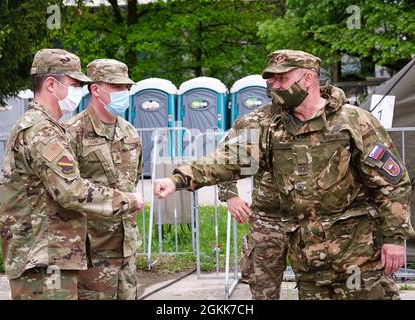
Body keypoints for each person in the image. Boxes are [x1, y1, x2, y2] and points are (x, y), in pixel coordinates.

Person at [154, 49, 414, 299]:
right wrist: (178, 179)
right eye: (271, 80)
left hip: (358, 254)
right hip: (309, 261)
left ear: (308, 78)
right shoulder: (269, 127)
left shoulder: (354, 121)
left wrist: (394, 238)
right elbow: (227, 160)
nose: (274, 86)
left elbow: (392, 183)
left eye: (282, 78)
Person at [0, 49, 143, 300]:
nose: (79, 90)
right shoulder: (42, 130)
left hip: (53, 256)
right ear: (52, 84)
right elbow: (71, 190)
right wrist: (128, 200)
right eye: (75, 84)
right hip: (44, 258)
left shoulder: (44, 127)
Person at [66, 58, 142, 300]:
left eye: (126, 88)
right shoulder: (72, 133)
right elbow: (67, 192)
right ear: (95, 90)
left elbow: (134, 179)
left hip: (126, 247)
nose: (124, 93)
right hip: (91, 250)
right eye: (117, 87)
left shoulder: (130, 133)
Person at [217, 104, 287, 300]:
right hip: (267, 221)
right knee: (263, 291)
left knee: (318, 291)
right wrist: (230, 194)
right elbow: (225, 160)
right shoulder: (258, 122)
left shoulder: (324, 118)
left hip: (312, 222)